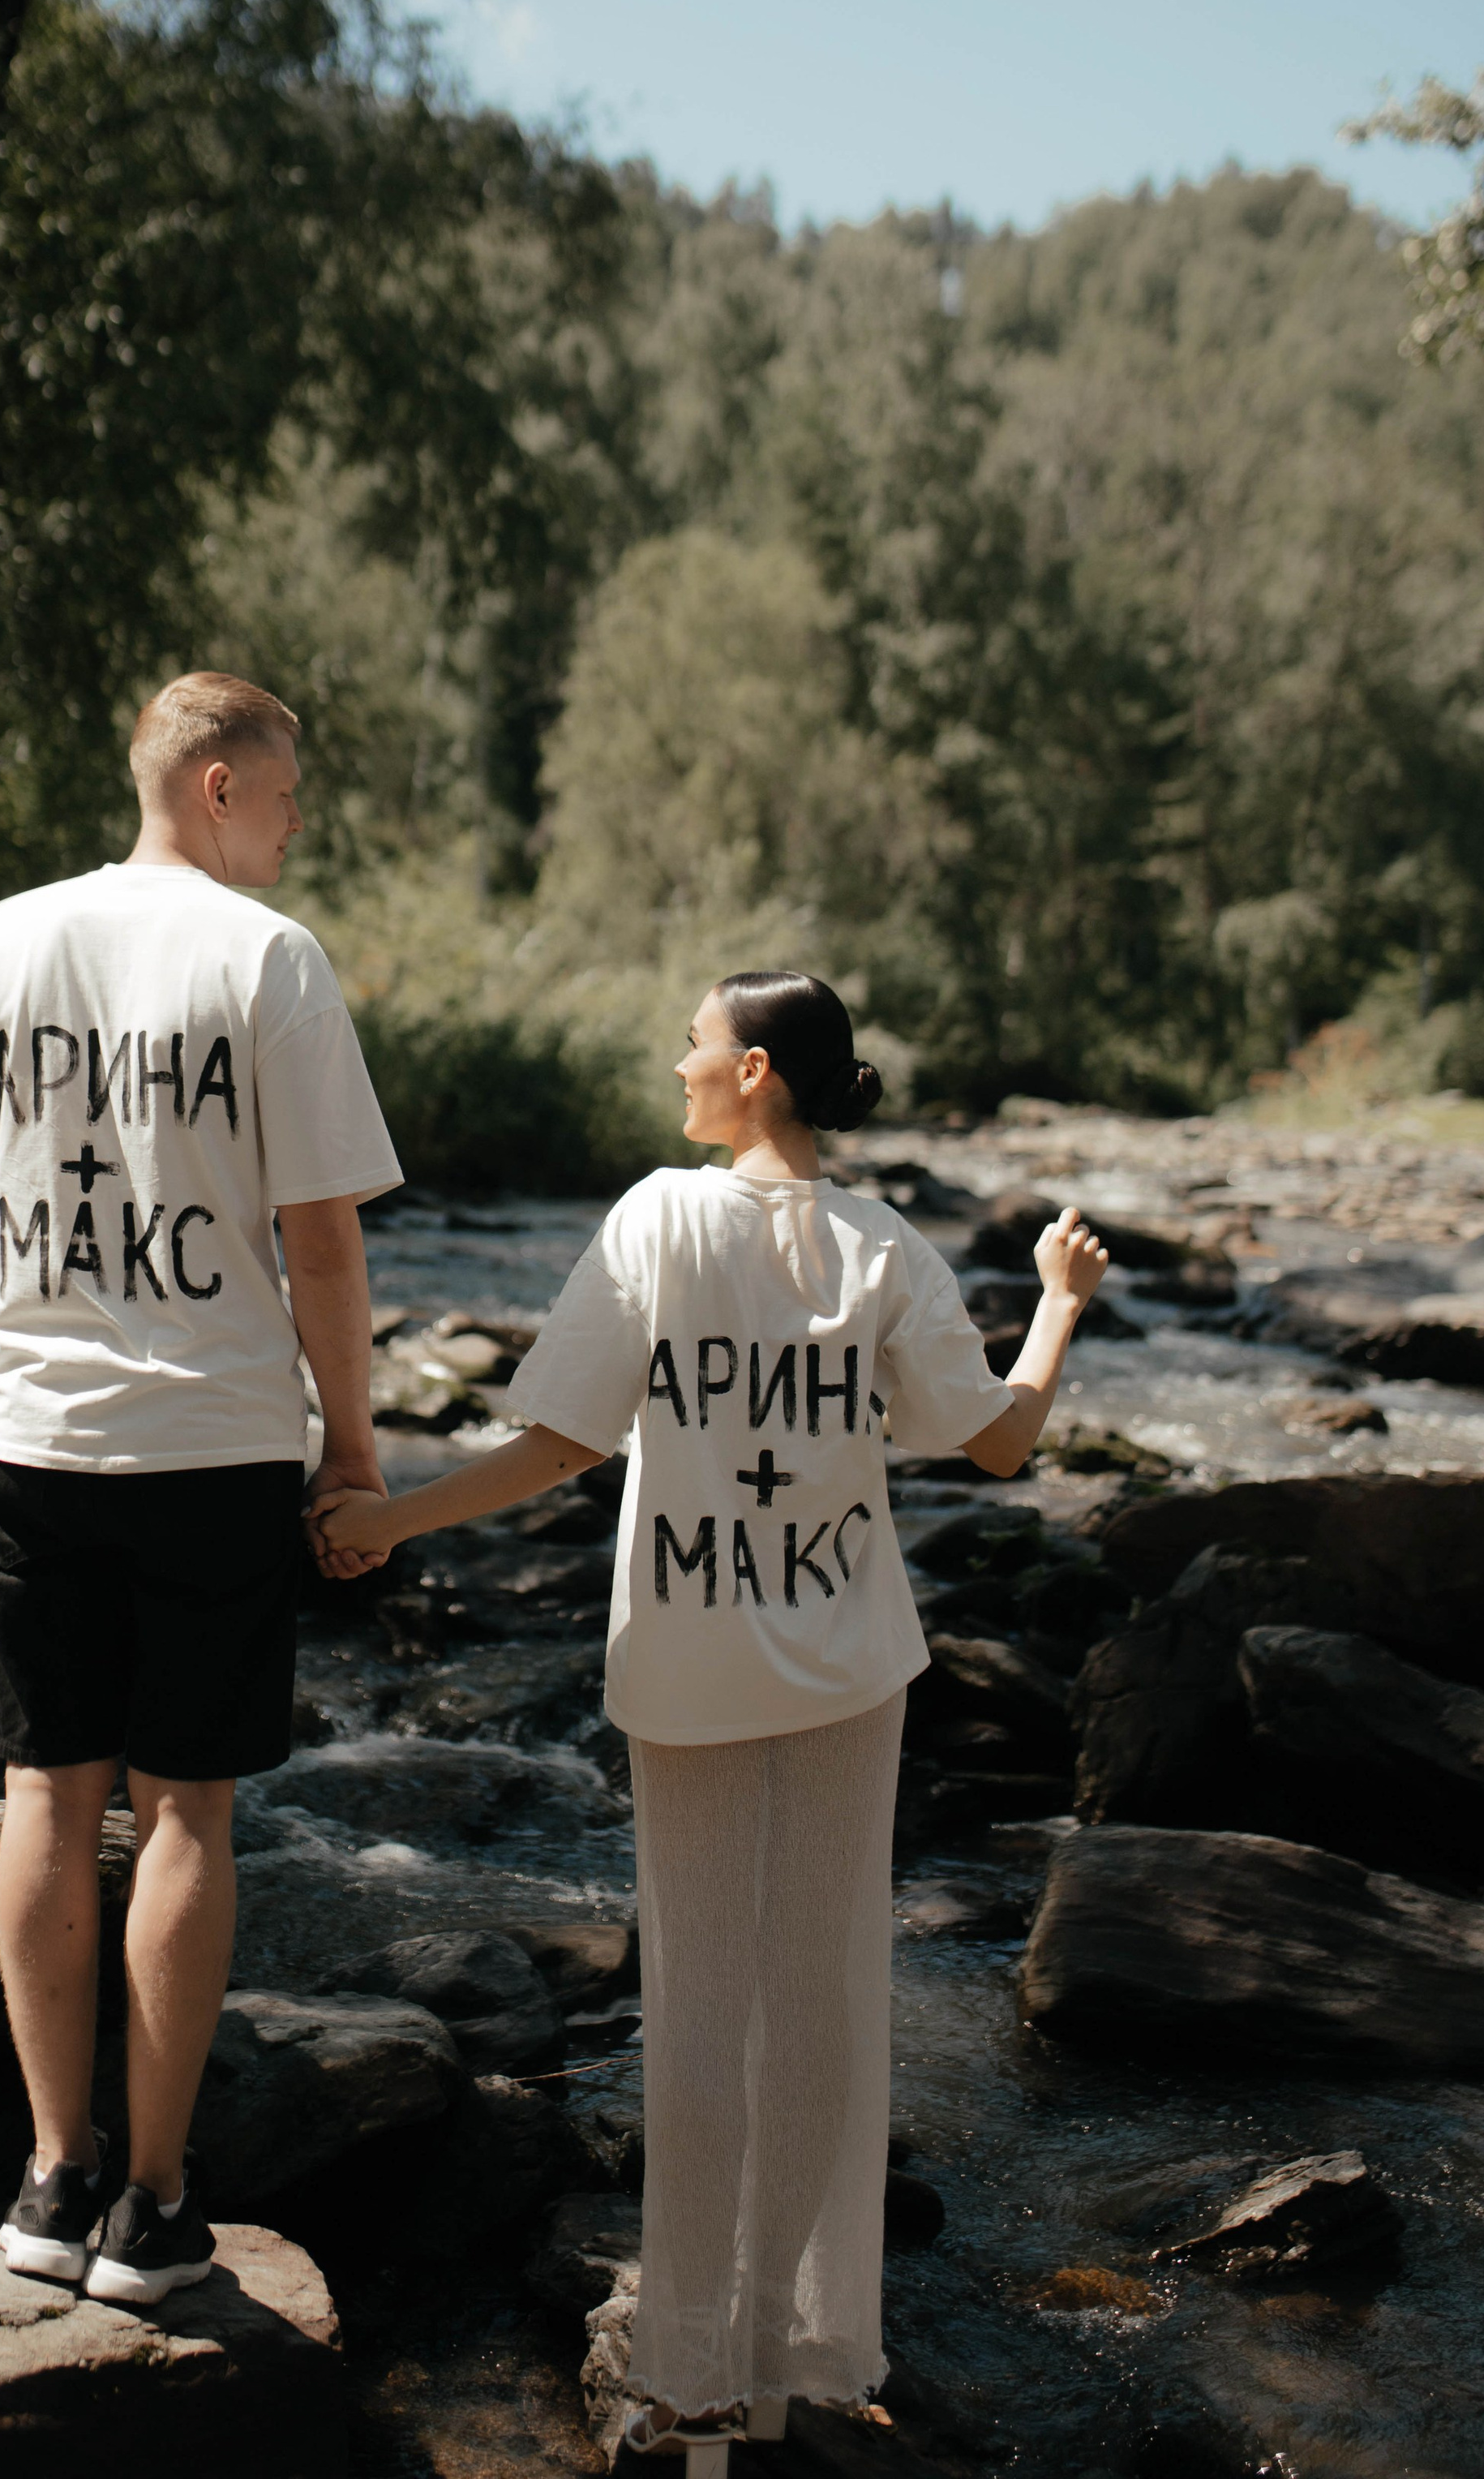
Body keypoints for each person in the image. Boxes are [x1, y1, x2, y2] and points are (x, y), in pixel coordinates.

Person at [310, 968, 1107, 2463]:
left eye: (693, 1046)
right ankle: (795, 2354)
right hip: (849, 1669)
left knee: (696, 2005)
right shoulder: (886, 1250)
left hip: (686, 1667)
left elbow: (556, 1444)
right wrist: (1058, 1310)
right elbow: (1002, 1440)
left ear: (752, 1071)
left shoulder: (657, 1222)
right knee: (821, 1999)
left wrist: (392, 1517)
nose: (676, 1065)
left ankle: (685, 2380)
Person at [0, 671, 401, 2305]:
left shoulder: (6, 938)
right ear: (220, 787)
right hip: (214, 1446)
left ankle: (49, 2181)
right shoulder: (271, 961)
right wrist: (355, 1445)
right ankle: (157, 2203)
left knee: (46, 1793)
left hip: (37, 1440)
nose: (300, 818)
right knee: (187, 1810)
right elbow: (321, 1231)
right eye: (288, 787)